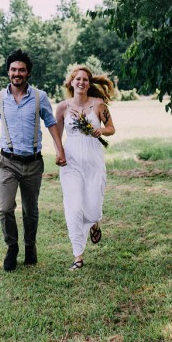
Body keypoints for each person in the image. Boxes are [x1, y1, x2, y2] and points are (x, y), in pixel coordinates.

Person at [0, 49, 66, 271]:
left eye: (21, 70)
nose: (17, 73)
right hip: (8, 161)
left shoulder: (39, 97)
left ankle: (30, 247)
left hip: (33, 163)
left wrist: (59, 150)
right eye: (14, 69)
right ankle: (12, 247)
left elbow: (51, 123)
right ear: (8, 72)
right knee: (5, 208)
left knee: (30, 210)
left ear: (28, 73)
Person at [55, 65, 116, 271]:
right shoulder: (62, 107)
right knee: (73, 207)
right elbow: (57, 135)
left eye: (85, 80)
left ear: (89, 84)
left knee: (92, 207)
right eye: (77, 79)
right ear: (71, 83)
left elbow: (111, 128)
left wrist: (101, 130)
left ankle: (94, 223)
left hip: (93, 161)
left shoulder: (98, 104)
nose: (81, 82)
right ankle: (78, 256)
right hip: (71, 162)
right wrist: (59, 154)